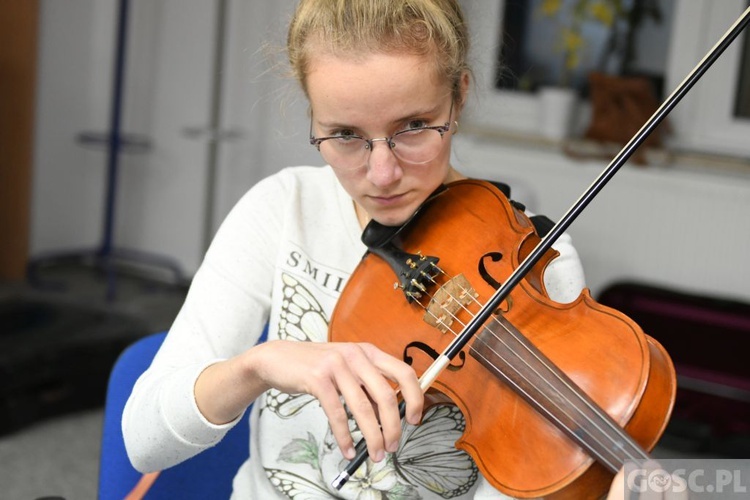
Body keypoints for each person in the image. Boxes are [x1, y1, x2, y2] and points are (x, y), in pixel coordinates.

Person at [122, 1, 669, 498]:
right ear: (311, 116)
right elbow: (145, 442)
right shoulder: (280, 210)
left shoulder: (533, 257)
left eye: (413, 127)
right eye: (344, 135)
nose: (382, 174)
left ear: (458, 95)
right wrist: (258, 365)